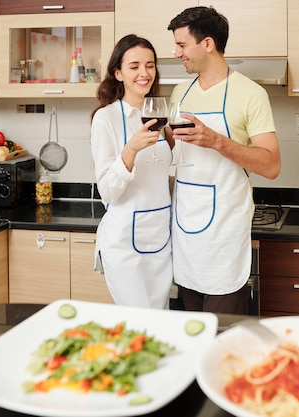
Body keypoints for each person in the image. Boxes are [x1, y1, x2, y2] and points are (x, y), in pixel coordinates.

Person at [166, 6, 281, 314]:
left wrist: (216, 140)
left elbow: (271, 165)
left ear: (207, 44)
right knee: (193, 330)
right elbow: (174, 157)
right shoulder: (179, 92)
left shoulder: (250, 94)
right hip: (186, 230)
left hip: (224, 236)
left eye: (181, 45)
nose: (176, 53)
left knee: (224, 337)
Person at [90, 34, 174, 309]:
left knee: (160, 321)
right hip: (124, 243)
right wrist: (130, 150)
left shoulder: (162, 116)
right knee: (138, 323)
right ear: (118, 72)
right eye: (134, 66)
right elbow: (107, 191)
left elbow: (163, 177)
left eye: (150, 65)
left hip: (161, 239)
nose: (144, 73)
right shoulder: (106, 118)